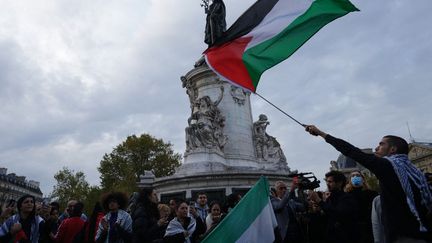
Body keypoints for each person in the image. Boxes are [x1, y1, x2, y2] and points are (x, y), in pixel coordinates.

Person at [305, 125, 432, 243]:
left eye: (381, 144)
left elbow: (351, 151)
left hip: (403, 236)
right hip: (422, 233)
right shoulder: (414, 172)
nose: (376, 148)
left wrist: (321, 133)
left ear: (393, 149)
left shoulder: (388, 167)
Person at [308, 170, 359, 243]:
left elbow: (338, 214)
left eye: (330, 182)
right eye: (327, 182)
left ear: (339, 183)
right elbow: (327, 218)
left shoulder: (347, 198)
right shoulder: (330, 198)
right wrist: (318, 210)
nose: (327, 184)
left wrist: (319, 201)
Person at [345, 170, 378, 243]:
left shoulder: (372, 194)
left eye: (358, 175)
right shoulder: (346, 196)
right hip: (353, 230)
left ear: (363, 179)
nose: (355, 177)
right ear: (350, 180)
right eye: (353, 176)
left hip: (370, 228)